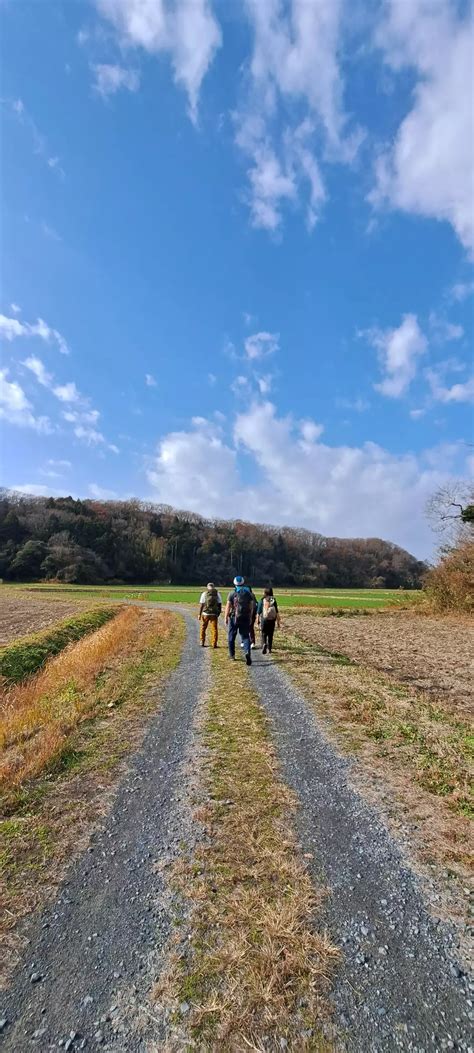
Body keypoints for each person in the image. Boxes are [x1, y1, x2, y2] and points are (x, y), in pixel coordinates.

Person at [225, 575, 256, 665]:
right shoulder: (248, 594)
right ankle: (247, 652)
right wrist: (250, 617)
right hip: (245, 617)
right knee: (245, 636)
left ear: (234, 583)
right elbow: (251, 607)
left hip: (234, 617)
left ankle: (232, 655)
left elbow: (228, 606)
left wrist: (226, 617)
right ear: (243, 583)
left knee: (231, 636)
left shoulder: (232, 593)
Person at [257, 587, 281, 654]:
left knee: (264, 633)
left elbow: (258, 611)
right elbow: (277, 611)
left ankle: (264, 643)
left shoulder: (262, 600)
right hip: (272, 620)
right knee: (270, 634)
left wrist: (257, 620)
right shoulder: (273, 600)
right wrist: (278, 622)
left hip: (264, 619)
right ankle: (270, 649)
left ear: (265, 592)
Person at [198, 583, 222, 648]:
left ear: (207, 587)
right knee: (214, 629)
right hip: (214, 614)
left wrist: (199, 614)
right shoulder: (217, 594)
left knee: (203, 628)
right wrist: (218, 612)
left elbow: (201, 605)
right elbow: (220, 604)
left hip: (205, 613)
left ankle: (202, 641)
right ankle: (214, 643)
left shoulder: (204, 594)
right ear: (213, 587)